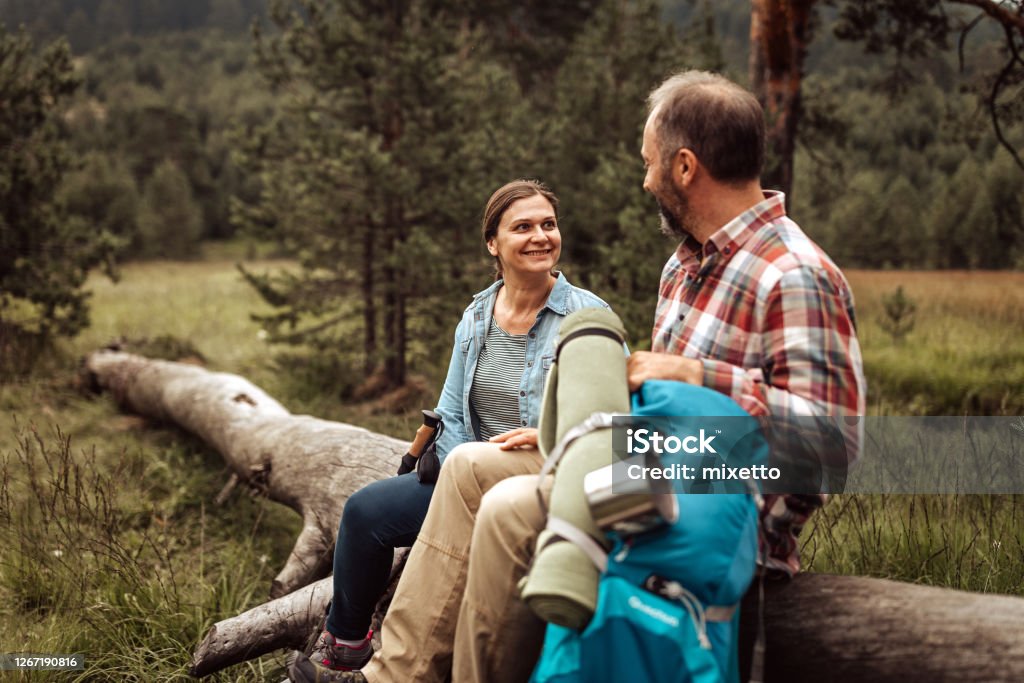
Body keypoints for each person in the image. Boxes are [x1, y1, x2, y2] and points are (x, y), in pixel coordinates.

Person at [298, 69, 866, 683]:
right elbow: (656, 412)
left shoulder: (794, 274)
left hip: (709, 518)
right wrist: (565, 436)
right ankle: (390, 675)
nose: (644, 179)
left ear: (683, 167)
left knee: (510, 507)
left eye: (649, 164)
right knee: (464, 469)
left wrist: (696, 375)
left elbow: (829, 448)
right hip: (638, 471)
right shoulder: (684, 267)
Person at [287, 179, 609, 683]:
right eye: (522, 227)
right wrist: (453, 470)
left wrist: (548, 438)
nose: (541, 236)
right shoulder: (478, 314)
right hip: (467, 473)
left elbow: (611, 417)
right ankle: (347, 648)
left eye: (548, 224)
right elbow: (452, 411)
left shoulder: (586, 317)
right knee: (366, 512)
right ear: (492, 243)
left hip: (544, 473)